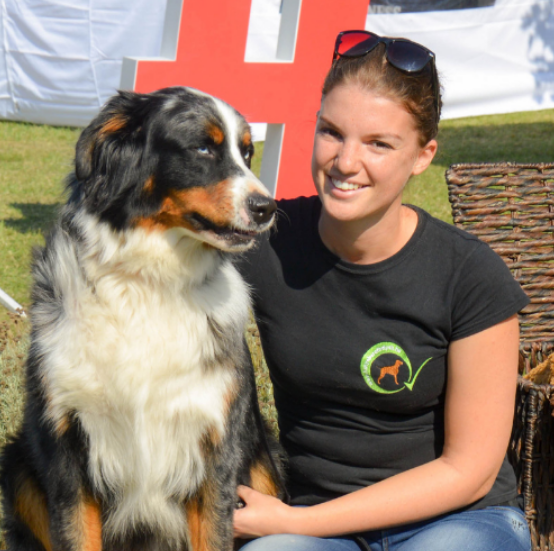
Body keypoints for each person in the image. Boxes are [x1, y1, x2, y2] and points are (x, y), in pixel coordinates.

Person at [233, 31, 532, 551]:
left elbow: (470, 472)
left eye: (378, 144)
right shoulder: (267, 243)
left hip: (457, 521)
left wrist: (296, 523)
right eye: (332, 132)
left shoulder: (470, 275)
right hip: (317, 522)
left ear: (422, 155)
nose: (346, 162)